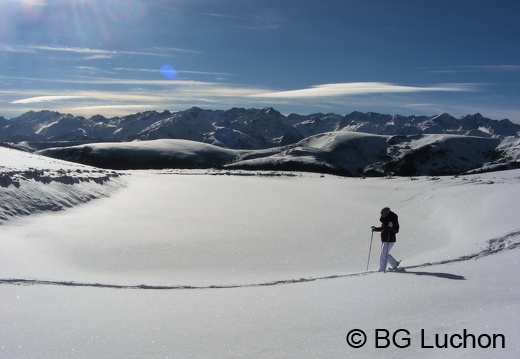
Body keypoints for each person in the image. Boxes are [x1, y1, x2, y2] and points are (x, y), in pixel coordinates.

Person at [371, 207, 400, 272]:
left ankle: (382, 269)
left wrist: (392, 227)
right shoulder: (386, 219)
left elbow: (396, 230)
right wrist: (376, 229)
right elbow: (383, 228)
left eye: (383, 214)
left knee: (383, 254)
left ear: (387, 214)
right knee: (384, 254)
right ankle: (394, 264)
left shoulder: (393, 219)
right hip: (385, 239)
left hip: (390, 239)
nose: (382, 216)